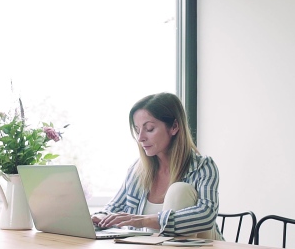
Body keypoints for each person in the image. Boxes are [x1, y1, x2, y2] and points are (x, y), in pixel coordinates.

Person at [91, 92, 223, 239]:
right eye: (137, 130)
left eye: (149, 129)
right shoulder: (137, 170)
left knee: (179, 190)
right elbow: (113, 208)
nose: (141, 138)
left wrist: (146, 221)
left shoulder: (203, 166)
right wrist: (99, 218)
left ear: (174, 127)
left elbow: (206, 216)